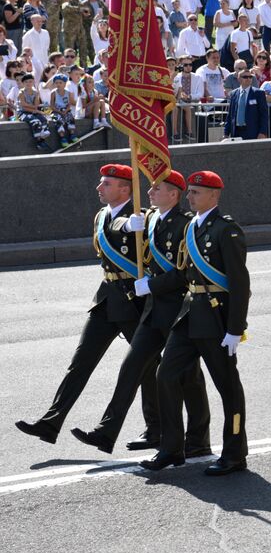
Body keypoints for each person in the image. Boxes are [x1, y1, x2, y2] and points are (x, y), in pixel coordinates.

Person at [14, 165, 166, 447]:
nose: (99, 188)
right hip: (107, 297)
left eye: (106, 184)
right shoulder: (101, 216)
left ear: (125, 188)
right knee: (80, 363)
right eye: (101, 183)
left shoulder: (143, 218)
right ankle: (51, 422)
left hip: (134, 300)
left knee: (145, 368)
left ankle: (154, 429)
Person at [69, 171, 211, 456]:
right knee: (131, 368)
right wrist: (125, 224)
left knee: (189, 377)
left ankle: (198, 439)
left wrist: (152, 284)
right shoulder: (149, 219)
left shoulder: (185, 225)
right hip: (151, 310)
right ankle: (106, 433)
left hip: (177, 310)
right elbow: (117, 220)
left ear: (174, 194)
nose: (149, 192)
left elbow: (185, 272)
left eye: (157, 188)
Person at [140, 171, 251, 477]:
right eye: (189, 192)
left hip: (217, 320)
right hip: (189, 315)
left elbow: (240, 284)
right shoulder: (191, 227)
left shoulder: (226, 231)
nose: (189, 197)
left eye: (196, 192)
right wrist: (152, 285)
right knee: (166, 375)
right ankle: (172, 448)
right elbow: (181, 274)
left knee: (228, 389)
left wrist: (235, 329)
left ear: (214, 195)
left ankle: (234, 454)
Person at [224, 69, 270, 140]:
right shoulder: (234, 94)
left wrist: (263, 132)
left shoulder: (259, 93)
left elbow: (264, 115)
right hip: (236, 131)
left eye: (250, 77)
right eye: (245, 77)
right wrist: (226, 133)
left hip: (253, 132)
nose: (248, 79)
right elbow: (230, 115)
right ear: (239, 79)